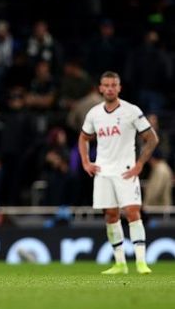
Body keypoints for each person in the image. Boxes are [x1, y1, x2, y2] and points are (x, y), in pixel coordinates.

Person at [78, 71, 158, 275]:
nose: (110, 88)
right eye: (106, 85)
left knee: (132, 212)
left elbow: (152, 138)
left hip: (125, 171)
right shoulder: (94, 113)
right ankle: (120, 263)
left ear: (119, 88)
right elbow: (84, 137)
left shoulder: (131, 111)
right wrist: (86, 162)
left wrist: (139, 164)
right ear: (100, 88)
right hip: (103, 171)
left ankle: (141, 262)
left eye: (114, 85)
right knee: (111, 215)